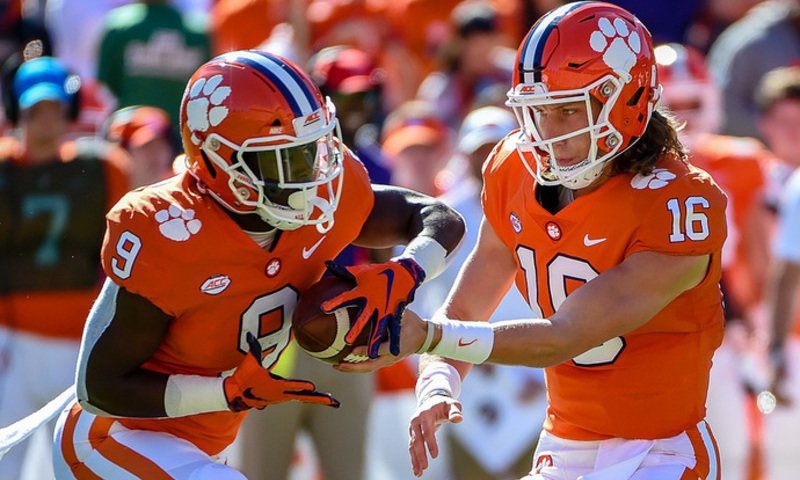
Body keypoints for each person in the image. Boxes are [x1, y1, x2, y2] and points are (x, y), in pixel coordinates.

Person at [338, 3, 728, 479]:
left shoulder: (680, 201)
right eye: (538, 112)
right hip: (562, 444)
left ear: (626, 100)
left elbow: (563, 336)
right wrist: (438, 382)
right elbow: (465, 309)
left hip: (659, 452)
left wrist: (428, 336)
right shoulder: (514, 168)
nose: (550, 133)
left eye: (568, 111)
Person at [51, 50, 464, 479]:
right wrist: (225, 391)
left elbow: (438, 217)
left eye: (312, 150)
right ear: (220, 160)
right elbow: (99, 387)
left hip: (205, 447)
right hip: (113, 436)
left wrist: (407, 272)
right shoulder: (168, 228)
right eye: (287, 158)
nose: (313, 175)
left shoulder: (327, 196)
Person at [0, 56, 129, 480]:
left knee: (75, 464)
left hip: (78, 342)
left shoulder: (104, 168)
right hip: (10, 342)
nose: (45, 120)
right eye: (35, 110)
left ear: (70, 109)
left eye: (54, 108)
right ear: (16, 110)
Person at [654, 42, 773, 480]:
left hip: (737, 320)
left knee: (748, 444)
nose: (685, 116)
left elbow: (765, 248)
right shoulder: (631, 172)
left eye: (693, 102)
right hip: (665, 327)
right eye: (674, 104)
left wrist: (759, 316)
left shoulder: (745, 160)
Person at [757, 65, 800, 480]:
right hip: (740, 330)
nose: (795, 132)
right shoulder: (742, 171)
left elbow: (786, 273)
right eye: (786, 121)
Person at [104, 104, 177, 188]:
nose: (156, 153)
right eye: (147, 146)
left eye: (161, 145)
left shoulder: (182, 191)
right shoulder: (100, 194)